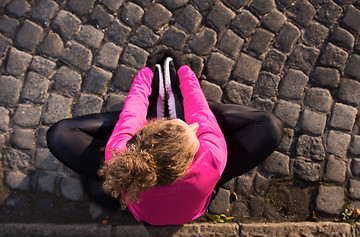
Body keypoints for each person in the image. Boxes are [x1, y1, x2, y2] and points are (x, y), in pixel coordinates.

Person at [46, 50, 284, 225]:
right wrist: (184, 70)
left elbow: (131, 112)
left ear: (145, 133)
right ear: (193, 157)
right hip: (195, 201)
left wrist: (147, 72)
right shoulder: (212, 158)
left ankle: (157, 109)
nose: (192, 128)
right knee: (270, 127)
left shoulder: (119, 153)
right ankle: (173, 105)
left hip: (141, 196)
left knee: (58, 135)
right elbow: (201, 112)